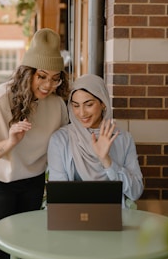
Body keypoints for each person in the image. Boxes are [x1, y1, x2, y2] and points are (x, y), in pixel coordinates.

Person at [0, 28, 70, 259]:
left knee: (27, 248)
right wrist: (10, 141)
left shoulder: (56, 105)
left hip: (32, 181)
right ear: (28, 73)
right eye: (42, 76)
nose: (48, 85)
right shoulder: (0, 99)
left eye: (55, 78)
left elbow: (63, 145)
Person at [47, 74, 143, 207]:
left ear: (103, 103)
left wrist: (106, 161)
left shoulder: (123, 139)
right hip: (72, 217)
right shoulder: (60, 140)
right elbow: (58, 196)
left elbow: (136, 192)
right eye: (76, 106)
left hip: (113, 217)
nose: (82, 113)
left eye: (89, 104)